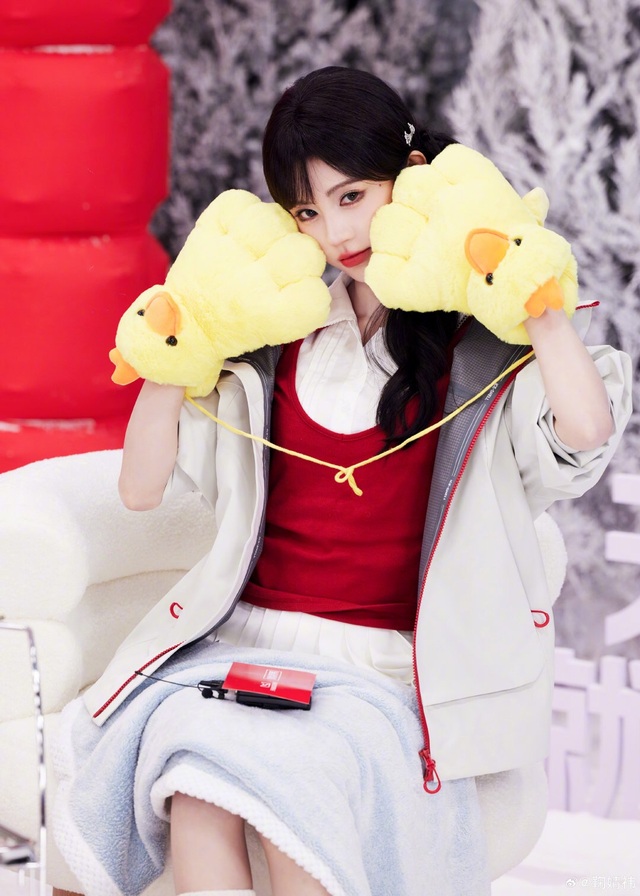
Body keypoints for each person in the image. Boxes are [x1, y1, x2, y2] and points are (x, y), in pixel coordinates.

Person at [53, 67, 631, 896]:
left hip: (382, 673)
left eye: (352, 196)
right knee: (196, 789)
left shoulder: (477, 345)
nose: (335, 231)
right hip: (242, 650)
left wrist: (536, 300)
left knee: (281, 795)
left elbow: (585, 433)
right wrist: (175, 344)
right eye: (307, 212)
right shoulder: (274, 336)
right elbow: (141, 490)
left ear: (413, 178)